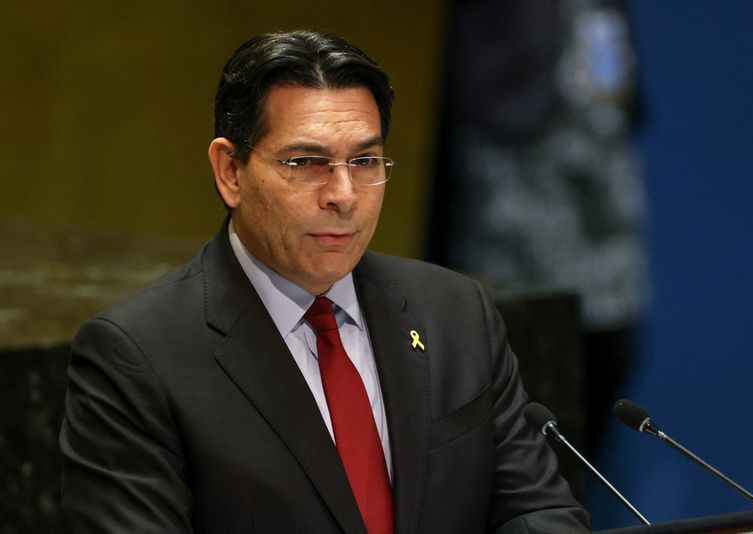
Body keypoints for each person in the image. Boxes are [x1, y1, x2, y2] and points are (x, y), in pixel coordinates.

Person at [59, 30, 590, 533]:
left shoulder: (455, 312)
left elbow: (534, 507)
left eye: (365, 160)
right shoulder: (138, 356)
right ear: (231, 172)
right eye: (306, 162)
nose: (344, 194)